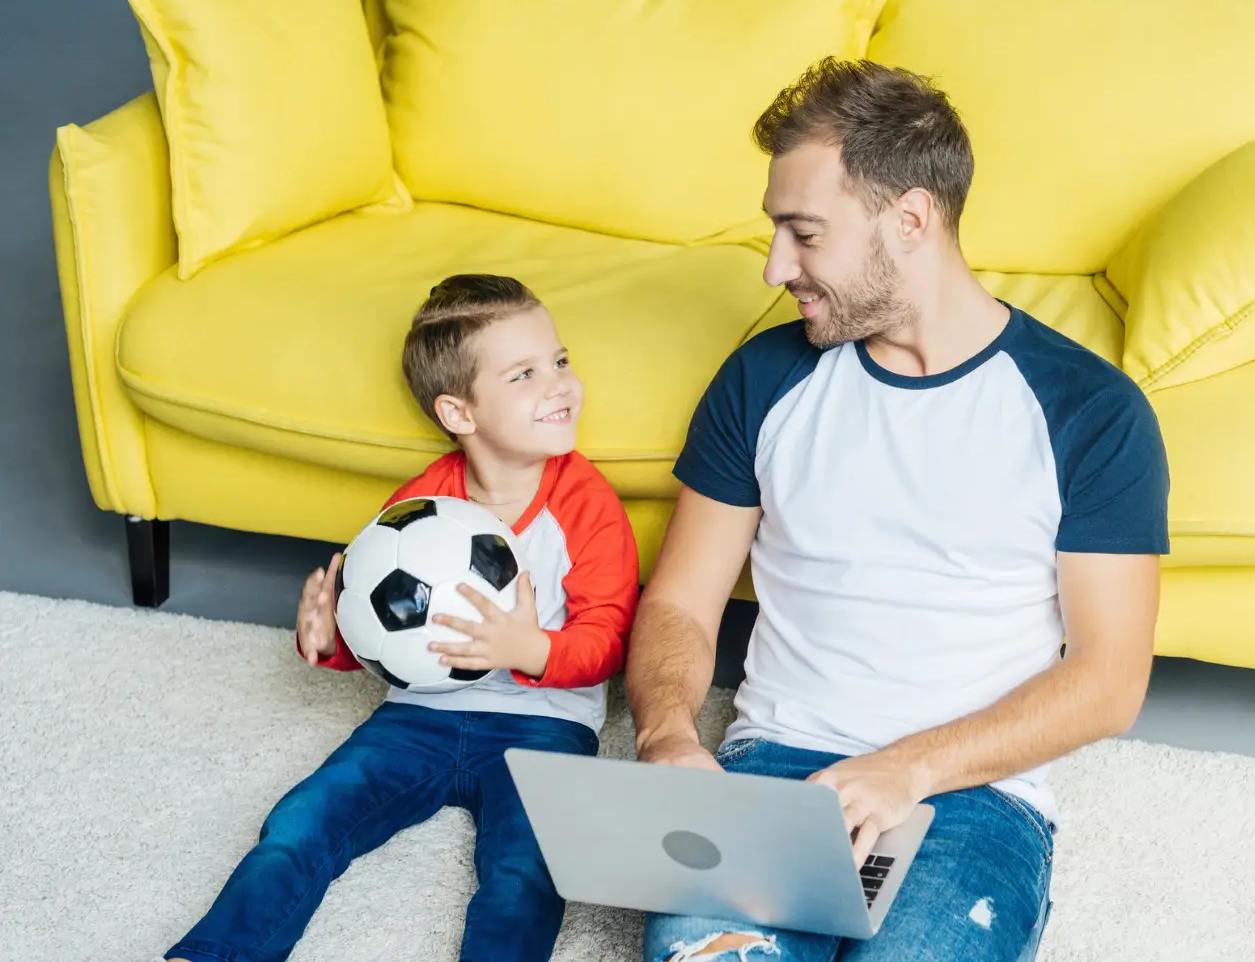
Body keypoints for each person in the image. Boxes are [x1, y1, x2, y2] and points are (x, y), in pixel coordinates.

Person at [626, 59, 1170, 962]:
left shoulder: (1088, 410)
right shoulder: (765, 380)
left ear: (910, 220)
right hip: (773, 773)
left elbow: (1110, 679)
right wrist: (668, 738)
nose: (774, 268)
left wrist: (904, 770)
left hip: (969, 793)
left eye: (803, 235)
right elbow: (681, 603)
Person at [162, 274, 639, 962]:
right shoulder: (417, 510)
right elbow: (381, 633)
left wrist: (529, 647)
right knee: (300, 823)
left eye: (560, 361)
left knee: (524, 870)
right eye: (525, 374)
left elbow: (606, 642)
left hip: (543, 725)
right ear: (459, 413)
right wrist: (327, 642)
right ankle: (213, 953)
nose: (561, 384)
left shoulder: (589, 506)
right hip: (418, 716)